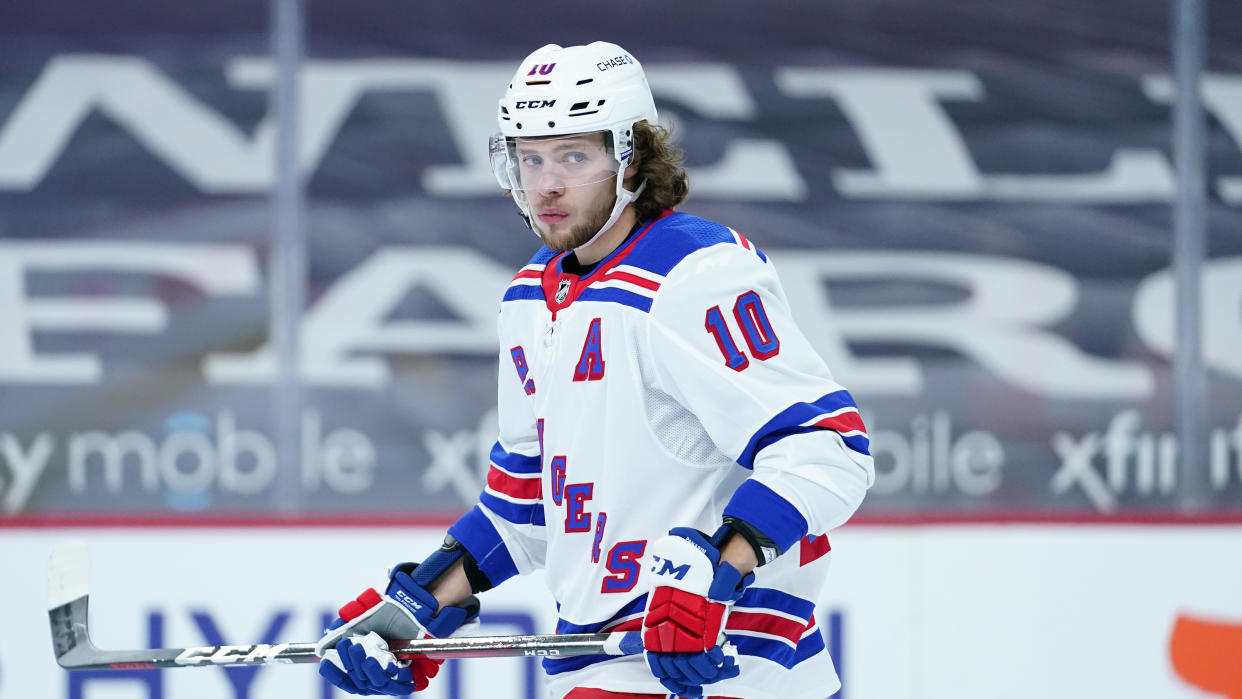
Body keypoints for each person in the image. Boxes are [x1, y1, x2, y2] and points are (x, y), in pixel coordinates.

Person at [315, 41, 874, 699]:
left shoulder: (696, 272)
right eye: (530, 158)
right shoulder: (529, 297)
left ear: (632, 158)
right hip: (608, 662)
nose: (546, 183)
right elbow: (527, 502)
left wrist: (717, 569)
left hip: (724, 659)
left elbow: (828, 449)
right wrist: (414, 607)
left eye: (573, 157)